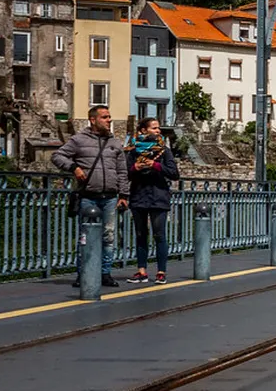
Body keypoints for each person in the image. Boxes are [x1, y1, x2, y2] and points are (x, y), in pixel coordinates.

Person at [52, 106, 129, 288]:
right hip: (88, 196)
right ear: (93, 120)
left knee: (108, 237)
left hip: (110, 197)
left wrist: (124, 194)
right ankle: (84, 273)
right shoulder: (79, 140)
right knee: (85, 237)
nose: (109, 120)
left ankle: (105, 273)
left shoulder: (115, 143)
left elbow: (122, 171)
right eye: (105, 117)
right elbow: (57, 156)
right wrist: (74, 168)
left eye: (109, 117)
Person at [124, 118, 180, 285]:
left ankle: (161, 272)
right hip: (139, 195)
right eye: (154, 128)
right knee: (140, 234)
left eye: (158, 128)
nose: (158, 131)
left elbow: (174, 173)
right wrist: (135, 168)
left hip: (158, 196)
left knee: (159, 234)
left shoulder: (164, 150)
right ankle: (141, 271)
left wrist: (155, 165)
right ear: (143, 130)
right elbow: (125, 173)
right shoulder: (134, 151)